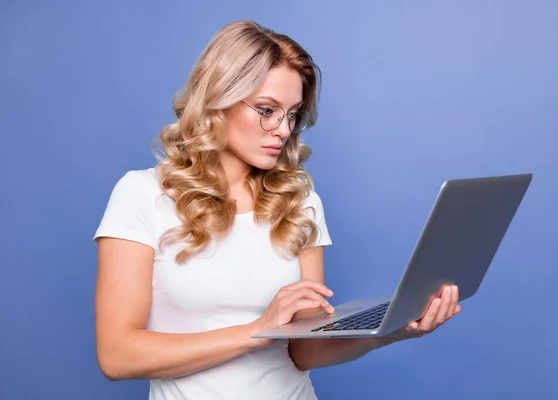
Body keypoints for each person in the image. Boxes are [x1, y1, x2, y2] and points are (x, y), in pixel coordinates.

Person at [93, 20, 461, 400]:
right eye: (267, 110)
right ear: (218, 98)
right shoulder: (143, 194)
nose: (283, 129)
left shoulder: (299, 201)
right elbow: (117, 355)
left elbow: (304, 350)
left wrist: (395, 329)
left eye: (292, 114)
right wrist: (258, 330)